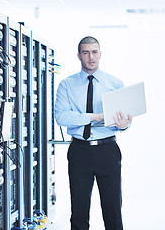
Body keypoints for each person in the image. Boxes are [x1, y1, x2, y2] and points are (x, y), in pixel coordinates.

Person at [54, 36, 132, 230]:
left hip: (107, 150)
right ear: (79, 56)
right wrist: (95, 117)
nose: (91, 57)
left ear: (100, 54)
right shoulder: (66, 85)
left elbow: (122, 122)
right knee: (79, 210)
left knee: (112, 208)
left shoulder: (115, 83)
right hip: (79, 151)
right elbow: (62, 117)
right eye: (86, 52)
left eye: (94, 52)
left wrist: (124, 125)